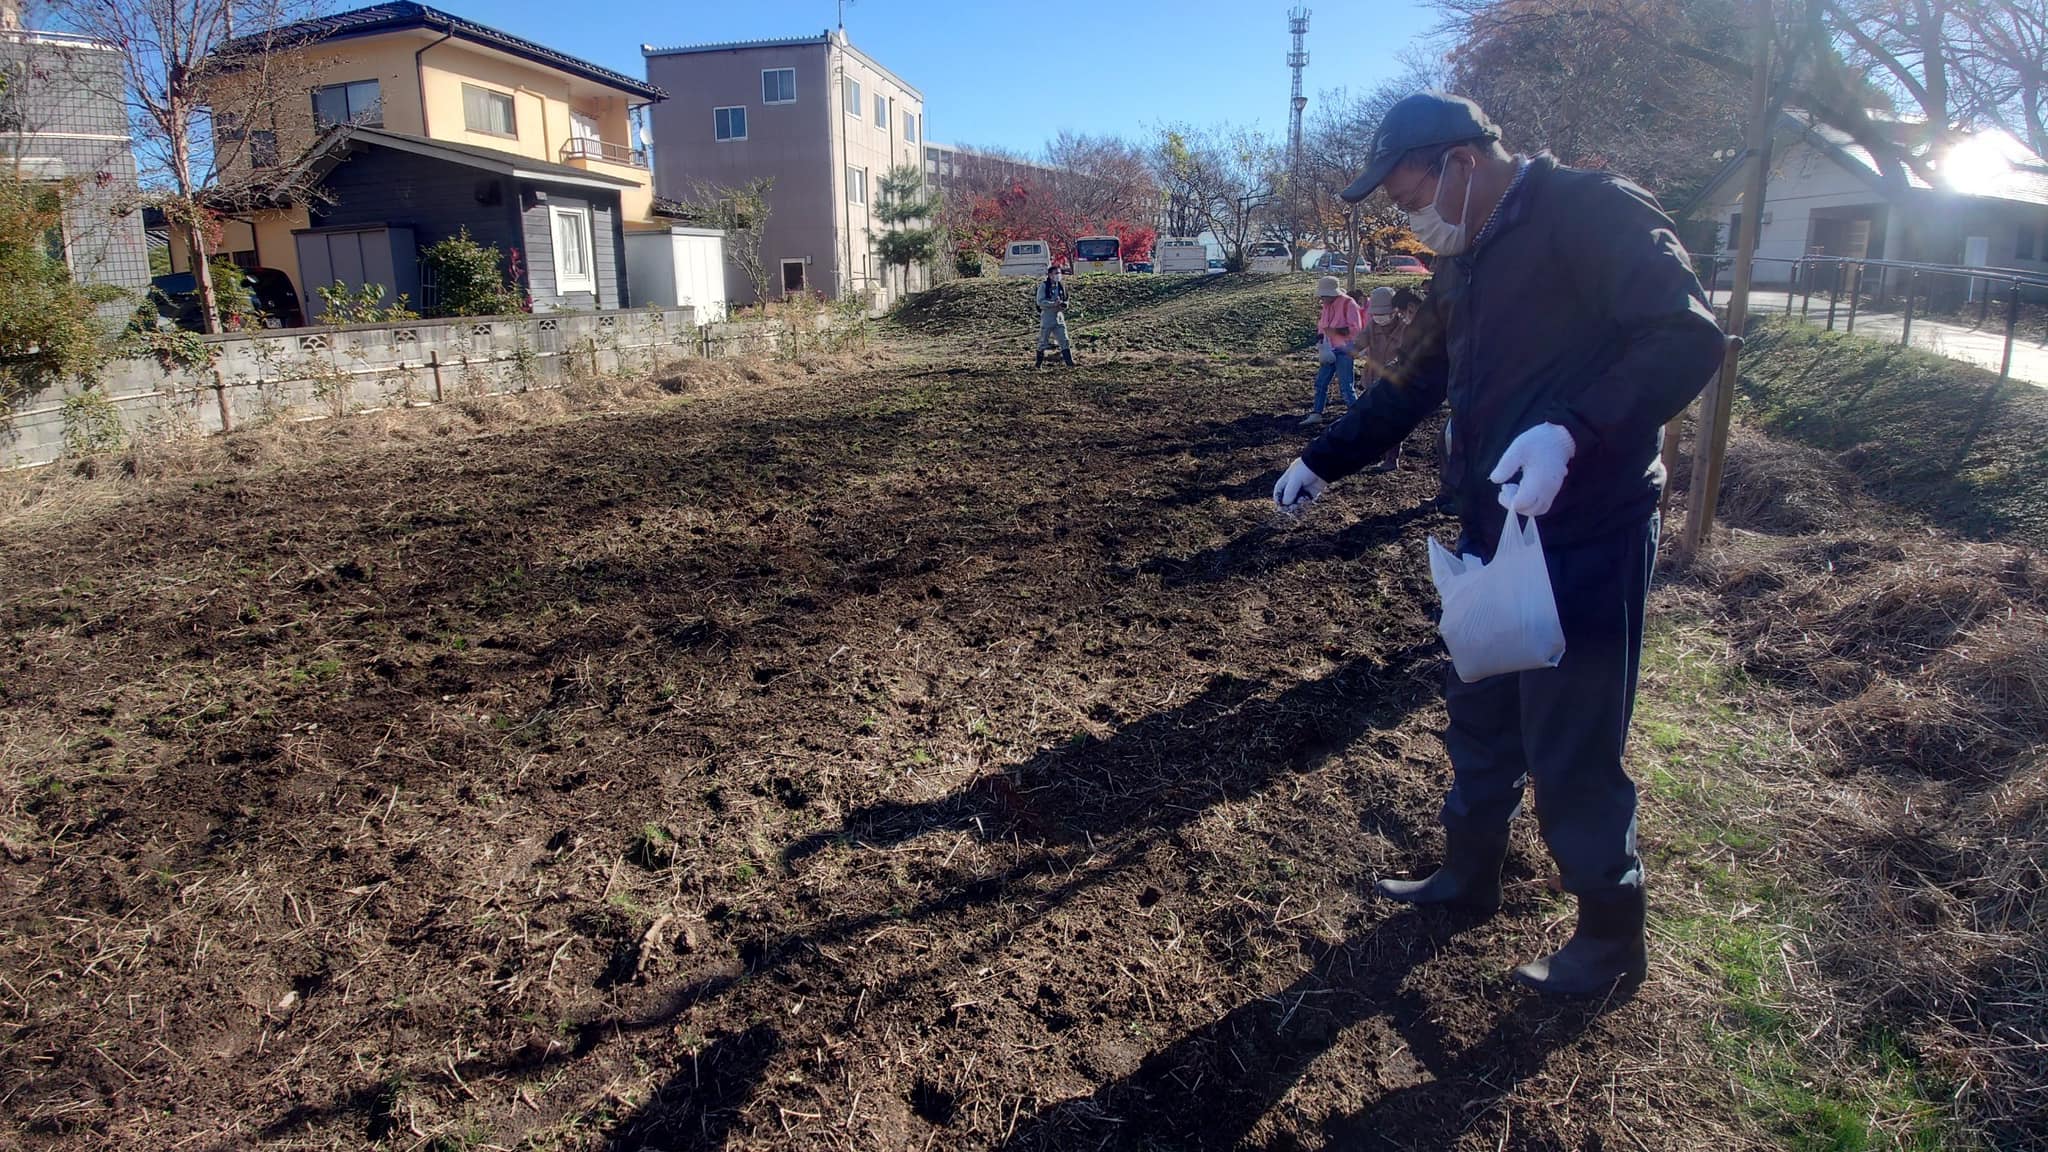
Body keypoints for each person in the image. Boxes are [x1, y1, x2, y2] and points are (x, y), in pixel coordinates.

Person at [1271, 92, 1724, 996]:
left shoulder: (1593, 213)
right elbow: (1411, 384)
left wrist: (1571, 432)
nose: (1414, 221)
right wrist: (1324, 459)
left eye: (1411, 198)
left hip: (1587, 533)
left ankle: (1607, 941)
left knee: (1572, 740)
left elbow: (1686, 336)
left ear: (1462, 164)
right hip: (1491, 531)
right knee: (1478, 714)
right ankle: (1467, 876)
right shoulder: (1467, 261)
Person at [1358, 287, 1408, 472]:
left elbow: (1408, 354)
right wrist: (1353, 347)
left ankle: (1391, 458)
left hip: (1395, 382)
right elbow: (1361, 340)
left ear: (1395, 311)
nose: (1380, 318)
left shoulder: (1406, 328)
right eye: (1376, 314)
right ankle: (1374, 452)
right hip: (1373, 377)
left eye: (1384, 314)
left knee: (1393, 421)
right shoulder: (1372, 325)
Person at [1302, 275, 1361, 426]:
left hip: (1344, 349)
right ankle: (1317, 413)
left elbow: (1355, 329)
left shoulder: (1349, 304)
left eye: (1324, 295)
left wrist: (1334, 332)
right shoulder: (1326, 305)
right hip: (1328, 349)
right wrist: (1321, 341)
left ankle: (1357, 416)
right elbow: (1322, 326)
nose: (1321, 298)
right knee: (1321, 382)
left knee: (1346, 386)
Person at [1036, 264, 1073, 368]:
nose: (1058, 275)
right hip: (1047, 317)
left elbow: (1066, 299)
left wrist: (1064, 305)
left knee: (1064, 340)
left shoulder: (1061, 286)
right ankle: (1038, 364)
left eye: (1059, 273)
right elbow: (1040, 302)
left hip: (1059, 317)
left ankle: (1069, 364)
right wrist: (1053, 304)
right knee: (1043, 341)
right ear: (1050, 275)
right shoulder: (1044, 286)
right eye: (1056, 273)